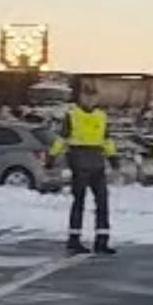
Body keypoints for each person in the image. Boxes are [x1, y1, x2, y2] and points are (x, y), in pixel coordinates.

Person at [49, 80, 118, 255]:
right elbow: (62, 139)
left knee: (102, 201)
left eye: (93, 96)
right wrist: (52, 155)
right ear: (81, 97)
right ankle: (74, 240)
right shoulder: (72, 115)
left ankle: (102, 241)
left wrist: (112, 156)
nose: (90, 100)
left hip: (97, 160)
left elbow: (107, 139)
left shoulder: (101, 116)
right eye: (87, 96)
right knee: (79, 200)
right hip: (79, 160)